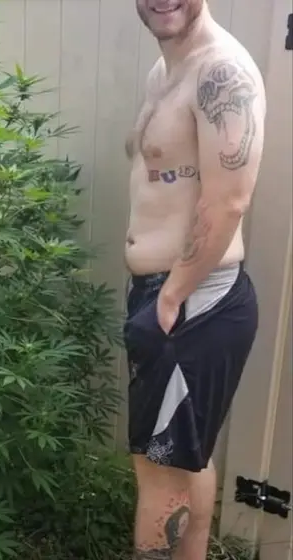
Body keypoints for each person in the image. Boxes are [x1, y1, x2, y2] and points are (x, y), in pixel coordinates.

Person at [124, 1, 266, 558]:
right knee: (187, 460)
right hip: (170, 296)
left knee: (161, 472)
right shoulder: (165, 71)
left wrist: (172, 296)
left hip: (192, 299)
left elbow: (229, 200)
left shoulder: (221, 71)